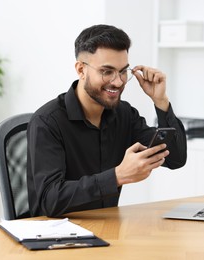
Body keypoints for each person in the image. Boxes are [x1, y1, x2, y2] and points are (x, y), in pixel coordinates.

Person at [27, 24, 187, 217]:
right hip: (54, 237)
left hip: (107, 231)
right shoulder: (47, 122)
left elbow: (175, 158)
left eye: (122, 71)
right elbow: (49, 200)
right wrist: (117, 176)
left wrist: (160, 101)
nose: (118, 81)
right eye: (107, 71)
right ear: (81, 69)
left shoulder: (124, 114)